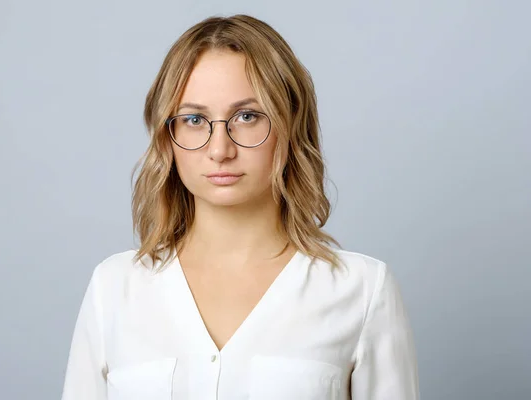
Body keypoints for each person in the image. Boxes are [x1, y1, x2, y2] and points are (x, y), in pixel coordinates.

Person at [61, 14, 419, 400]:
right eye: (195, 119)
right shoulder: (114, 288)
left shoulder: (361, 290)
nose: (220, 150)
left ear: (290, 125)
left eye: (247, 117)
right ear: (168, 136)